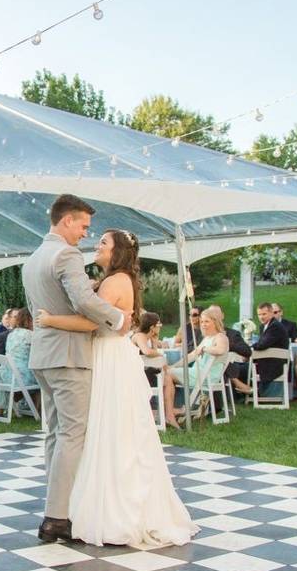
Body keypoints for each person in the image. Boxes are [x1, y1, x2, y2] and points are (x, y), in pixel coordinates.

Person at [36, 221, 198, 548]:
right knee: (107, 429)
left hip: (108, 356)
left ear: (117, 251)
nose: (97, 245)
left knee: (106, 429)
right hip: (112, 356)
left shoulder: (114, 282)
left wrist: (50, 320)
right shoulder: (114, 280)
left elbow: (90, 322)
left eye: (104, 243)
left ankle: (110, 509)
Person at [166, 308, 230, 420]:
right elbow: (191, 356)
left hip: (206, 376)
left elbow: (221, 350)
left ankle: (171, 411)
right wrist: (174, 366)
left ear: (215, 322)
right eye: (202, 322)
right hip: (199, 373)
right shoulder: (207, 338)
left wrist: (205, 349)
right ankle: (172, 410)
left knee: (167, 375)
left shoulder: (220, 337)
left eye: (207, 321)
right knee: (168, 372)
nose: (203, 325)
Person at [131, 311, 181, 430]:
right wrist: (160, 355)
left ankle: (169, 415)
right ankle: (169, 415)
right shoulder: (140, 336)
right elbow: (147, 352)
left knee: (168, 378)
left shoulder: (148, 337)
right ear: (152, 326)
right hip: (135, 375)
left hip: (144, 372)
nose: (160, 327)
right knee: (168, 378)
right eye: (159, 325)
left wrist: (154, 342)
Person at [207, 305, 253, 395]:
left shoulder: (232, 334)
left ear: (222, 316)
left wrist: (227, 345)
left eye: (216, 314)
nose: (214, 317)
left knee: (222, 360)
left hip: (230, 364)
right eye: (211, 315)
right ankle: (237, 382)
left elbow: (247, 351)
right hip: (207, 364)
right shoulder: (205, 334)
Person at [251, 302, 290, 394]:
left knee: (238, 369)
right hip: (266, 361)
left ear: (272, 313)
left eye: (264, 314)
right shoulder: (263, 326)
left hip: (274, 365)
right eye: (259, 314)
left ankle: (251, 392)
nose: (261, 317)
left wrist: (249, 346)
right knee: (239, 367)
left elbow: (262, 345)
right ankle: (249, 391)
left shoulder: (275, 326)